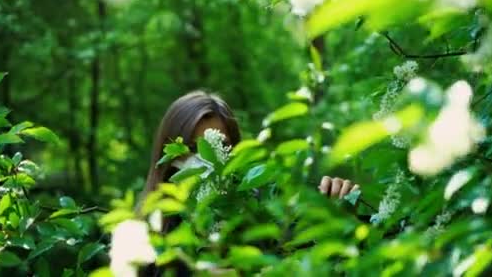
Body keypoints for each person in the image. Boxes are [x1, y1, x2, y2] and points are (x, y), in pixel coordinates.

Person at [138, 90, 359, 276]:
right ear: (170, 158)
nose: (207, 159)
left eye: (218, 146)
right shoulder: (143, 241)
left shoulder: (261, 217)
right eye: (194, 149)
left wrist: (332, 218)